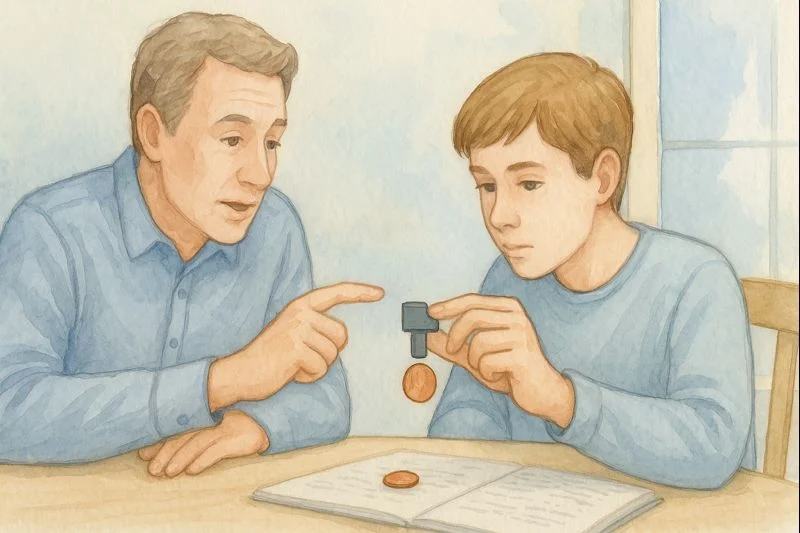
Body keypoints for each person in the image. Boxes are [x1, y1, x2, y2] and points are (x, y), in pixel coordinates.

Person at [0, 12, 383, 476]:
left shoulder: (275, 225)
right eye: (232, 139)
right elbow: (10, 409)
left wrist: (252, 426)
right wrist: (221, 383)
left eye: (273, 142)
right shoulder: (50, 228)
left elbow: (324, 392)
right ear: (153, 134)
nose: (260, 176)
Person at [426, 52, 756, 490]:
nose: (500, 215)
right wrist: (476, 408)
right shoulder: (506, 280)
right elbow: (463, 420)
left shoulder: (696, 280)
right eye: (487, 186)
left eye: (528, 184)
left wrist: (564, 401)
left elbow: (714, 447)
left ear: (601, 179)